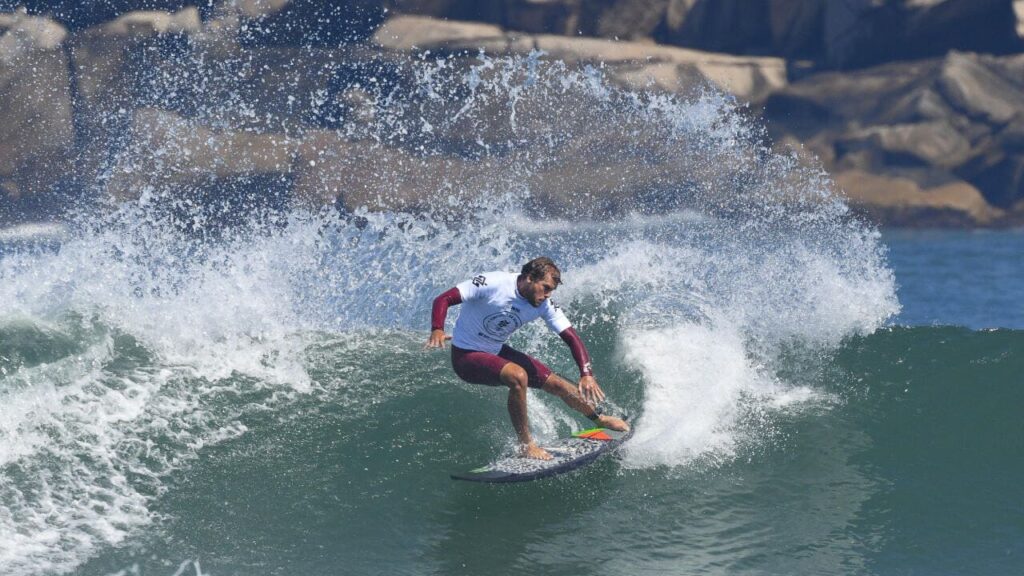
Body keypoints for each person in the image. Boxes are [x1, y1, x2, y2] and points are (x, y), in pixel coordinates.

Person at [426, 256, 629, 460]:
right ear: (530, 277)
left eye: (551, 291)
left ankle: (599, 419)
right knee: (518, 376)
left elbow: (570, 336)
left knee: (558, 384)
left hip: (494, 350)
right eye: (546, 288)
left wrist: (586, 374)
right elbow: (443, 299)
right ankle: (526, 445)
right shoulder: (494, 283)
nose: (547, 295)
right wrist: (437, 329)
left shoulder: (543, 304)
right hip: (466, 356)